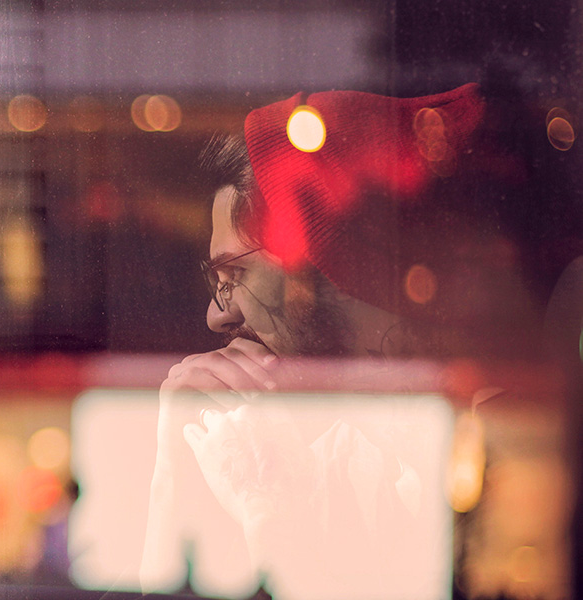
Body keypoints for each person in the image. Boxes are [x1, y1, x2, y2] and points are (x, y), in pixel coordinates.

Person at [140, 83, 577, 599]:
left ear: (334, 277)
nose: (218, 313)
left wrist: (272, 527)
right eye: (216, 280)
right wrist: (175, 486)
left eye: (235, 273)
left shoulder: (523, 462)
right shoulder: (329, 449)